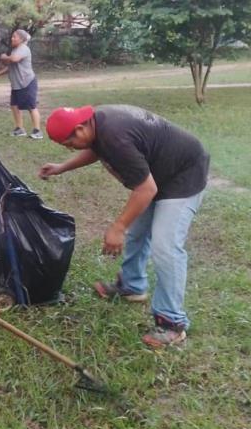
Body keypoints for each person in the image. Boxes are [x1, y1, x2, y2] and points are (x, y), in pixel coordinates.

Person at [38, 105, 210, 348]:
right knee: (138, 232)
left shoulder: (115, 136)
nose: (69, 147)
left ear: (80, 128)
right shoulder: (97, 124)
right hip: (159, 172)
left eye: (69, 143)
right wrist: (62, 167)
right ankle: (132, 286)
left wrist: (118, 227)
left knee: (165, 246)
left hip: (183, 174)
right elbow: (98, 150)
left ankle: (172, 323)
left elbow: (146, 189)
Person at [0, 28, 42, 139]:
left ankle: (37, 131)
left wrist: (4, 57)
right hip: (16, 84)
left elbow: (14, 59)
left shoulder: (23, 49)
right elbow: (11, 67)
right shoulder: (15, 50)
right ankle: (19, 129)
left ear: (21, 39)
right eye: (12, 36)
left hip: (27, 83)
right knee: (14, 106)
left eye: (14, 36)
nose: (12, 38)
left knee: (31, 106)